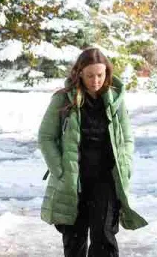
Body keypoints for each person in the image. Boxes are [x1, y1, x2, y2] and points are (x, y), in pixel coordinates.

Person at [38, 48, 148, 257]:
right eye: (90, 75)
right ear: (79, 73)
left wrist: (125, 164)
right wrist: (60, 169)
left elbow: (127, 138)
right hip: (73, 180)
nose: (95, 81)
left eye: (100, 75)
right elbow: (46, 137)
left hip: (106, 180)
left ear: (107, 73)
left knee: (104, 237)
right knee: (74, 240)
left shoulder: (114, 100)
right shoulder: (63, 99)